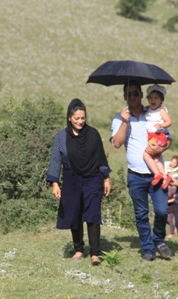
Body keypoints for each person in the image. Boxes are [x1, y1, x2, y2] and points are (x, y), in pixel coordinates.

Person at [110, 81, 172, 262]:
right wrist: (124, 122)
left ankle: (158, 240)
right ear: (124, 97)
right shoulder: (119, 117)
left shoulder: (152, 112)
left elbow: (168, 138)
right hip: (135, 176)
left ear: (141, 94)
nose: (133, 97)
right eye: (129, 94)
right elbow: (116, 143)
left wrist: (160, 149)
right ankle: (148, 250)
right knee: (141, 215)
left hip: (156, 174)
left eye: (136, 93)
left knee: (161, 211)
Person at [46, 98, 111, 266]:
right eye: (77, 118)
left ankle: (95, 253)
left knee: (92, 213)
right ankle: (79, 249)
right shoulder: (61, 136)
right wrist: (55, 183)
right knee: (74, 213)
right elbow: (55, 159)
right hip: (71, 177)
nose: (81, 121)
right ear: (69, 117)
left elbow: (101, 158)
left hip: (93, 178)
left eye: (83, 118)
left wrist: (106, 178)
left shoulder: (93, 134)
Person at [143, 84, 172, 189]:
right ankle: (165, 176)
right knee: (155, 159)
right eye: (150, 98)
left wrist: (161, 125)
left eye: (156, 98)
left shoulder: (161, 110)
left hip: (158, 135)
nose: (153, 100)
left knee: (146, 155)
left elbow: (169, 121)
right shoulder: (150, 110)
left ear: (161, 100)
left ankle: (156, 174)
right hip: (152, 136)